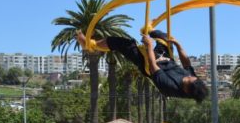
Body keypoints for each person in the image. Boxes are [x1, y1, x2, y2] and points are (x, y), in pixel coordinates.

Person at [76, 30, 208, 102]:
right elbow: (186, 63)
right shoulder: (193, 81)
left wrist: (149, 46)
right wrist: (179, 45)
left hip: (147, 63)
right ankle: (149, 30)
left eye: (191, 79)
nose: (192, 77)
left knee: (123, 44)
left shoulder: (170, 87)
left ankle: (90, 45)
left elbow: (153, 67)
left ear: (186, 89)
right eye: (194, 78)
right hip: (166, 58)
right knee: (164, 37)